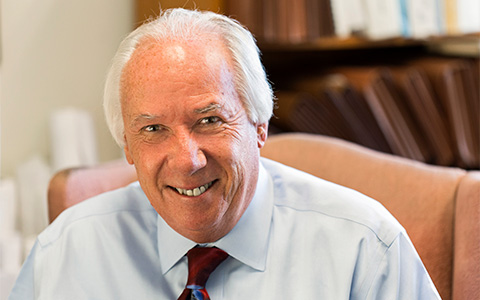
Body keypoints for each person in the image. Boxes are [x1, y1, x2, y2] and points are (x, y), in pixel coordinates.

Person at [10, 8, 440, 299]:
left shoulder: (365, 249)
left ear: (259, 125)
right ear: (127, 146)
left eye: (209, 120)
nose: (187, 160)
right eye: (153, 129)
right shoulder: (67, 250)